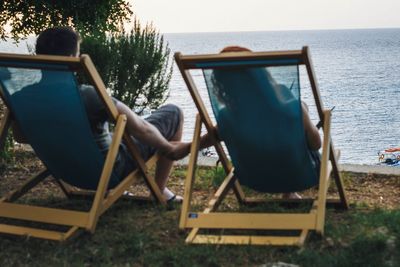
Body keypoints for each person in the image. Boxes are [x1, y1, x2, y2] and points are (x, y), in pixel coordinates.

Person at [13, 27, 191, 202]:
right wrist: (169, 149)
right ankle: (158, 190)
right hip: (107, 173)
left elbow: (20, 137)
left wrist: (60, 138)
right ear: (70, 60)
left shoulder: (23, 97)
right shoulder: (87, 96)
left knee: (114, 136)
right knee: (173, 113)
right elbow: (141, 128)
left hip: (65, 170)